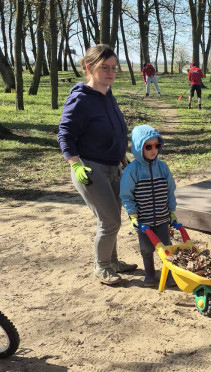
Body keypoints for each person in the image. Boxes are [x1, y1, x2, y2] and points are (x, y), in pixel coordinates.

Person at [57, 44, 138, 286]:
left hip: (115, 166)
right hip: (91, 169)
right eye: (104, 67)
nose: (111, 72)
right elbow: (65, 135)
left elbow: (115, 132)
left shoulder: (108, 94)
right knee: (110, 220)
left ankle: (112, 261)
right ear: (89, 67)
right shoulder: (80, 99)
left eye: (114, 67)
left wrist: (124, 160)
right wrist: (75, 164)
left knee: (114, 218)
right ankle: (101, 266)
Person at [120, 125, 177, 287]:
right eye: (148, 147)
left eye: (157, 146)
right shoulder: (131, 171)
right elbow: (126, 195)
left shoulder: (163, 168)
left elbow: (170, 191)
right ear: (139, 148)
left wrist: (172, 211)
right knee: (146, 249)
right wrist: (133, 215)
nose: (154, 150)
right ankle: (150, 275)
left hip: (162, 217)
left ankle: (169, 274)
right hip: (143, 221)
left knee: (166, 248)